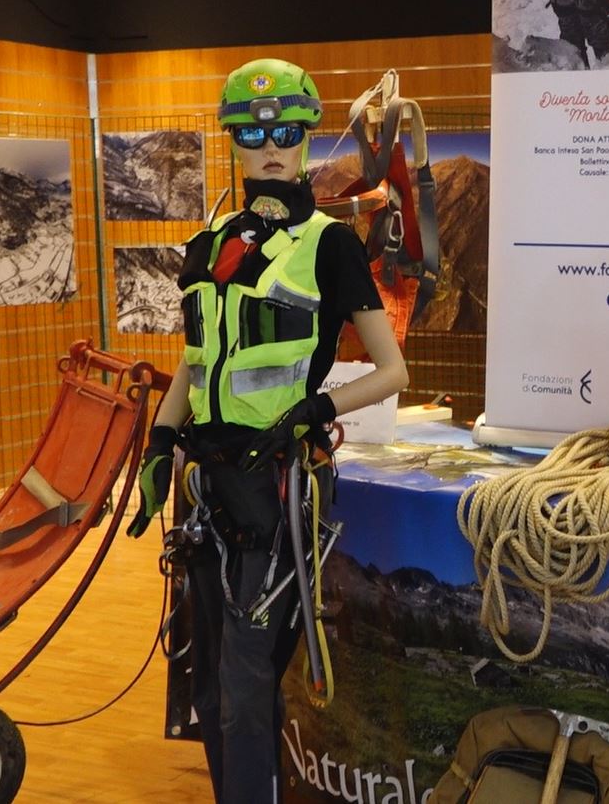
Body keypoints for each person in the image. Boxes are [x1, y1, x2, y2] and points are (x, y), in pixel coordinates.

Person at [130, 57, 408, 804]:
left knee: (249, 693)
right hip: (207, 486)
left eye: (286, 130)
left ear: (307, 134)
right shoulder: (208, 242)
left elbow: (391, 371)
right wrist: (160, 442)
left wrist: (310, 414)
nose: (270, 146)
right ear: (233, 141)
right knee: (214, 691)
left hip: (276, 488)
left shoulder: (330, 244)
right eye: (252, 133)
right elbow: (196, 359)